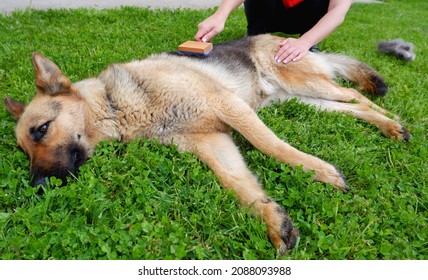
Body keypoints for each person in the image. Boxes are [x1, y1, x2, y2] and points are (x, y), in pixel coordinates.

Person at [195, 0, 352, 64]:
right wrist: (219, 15)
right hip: (270, 12)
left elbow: (338, 10)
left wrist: (306, 41)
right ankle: (255, 35)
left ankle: (310, 41)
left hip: (307, 15)